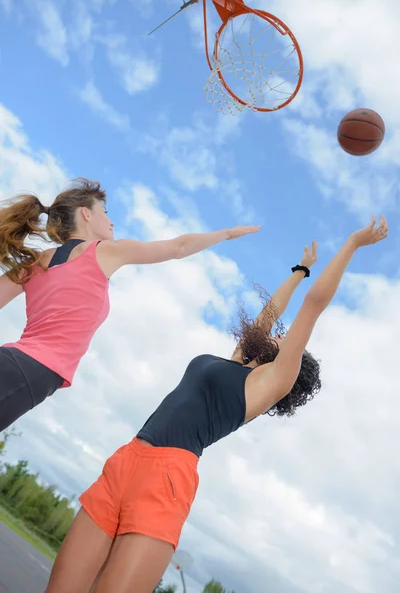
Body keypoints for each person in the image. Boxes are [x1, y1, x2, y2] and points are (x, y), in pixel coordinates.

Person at [45, 215, 388, 593]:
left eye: (285, 339)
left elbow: (313, 305)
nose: (278, 331)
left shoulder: (270, 383)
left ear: (290, 358)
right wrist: (302, 268)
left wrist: (353, 243)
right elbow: (272, 310)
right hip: (126, 459)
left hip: (167, 479)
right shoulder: (238, 360)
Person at [0, 178, 260, 432]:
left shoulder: (36, 263)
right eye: (104, 211)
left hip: (17, 364)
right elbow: (178, 248)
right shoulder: (101, 251)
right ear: (85, 214)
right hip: (29, 370)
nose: (111, 221)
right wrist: (226, 233)